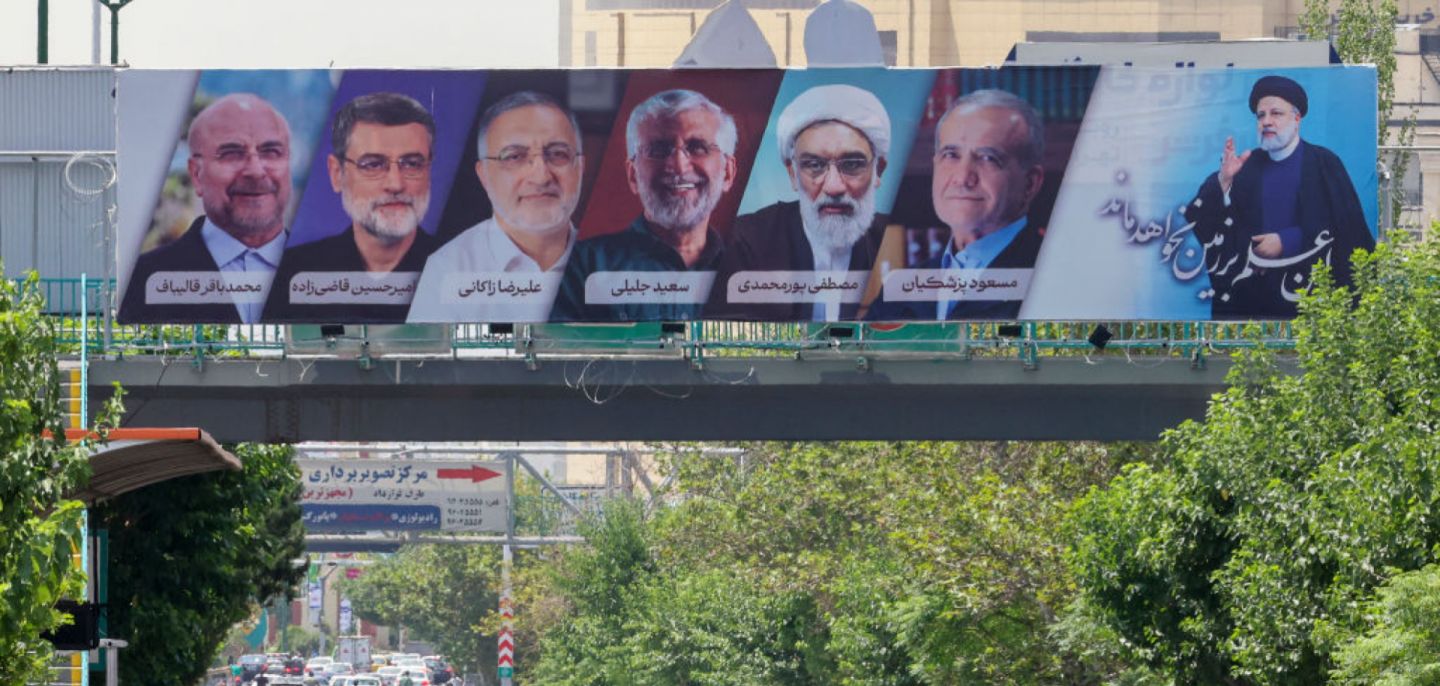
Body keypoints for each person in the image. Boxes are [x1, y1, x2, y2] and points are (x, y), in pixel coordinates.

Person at [1182, 74, 1374, 319]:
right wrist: (1224, 180)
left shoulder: (1323, 163)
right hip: (1254, 304)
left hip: (1310, 298)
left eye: (1276, 114)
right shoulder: (1246, 168)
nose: (1267, 122)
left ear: (1297, 118)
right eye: (1261, 116)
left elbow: (1349, 230)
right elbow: (1204, 222)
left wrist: (1287, 240)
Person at [550, 89, 738, 322]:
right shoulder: (579, 267)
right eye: (658, 149)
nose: (679, 166)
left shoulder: (750, 268)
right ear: (632, 175)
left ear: (728, 173)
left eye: (698, 147)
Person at [708, 83, 891, 321]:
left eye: (852, 164)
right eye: (814, 165)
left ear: (878, 170)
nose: (834, 187)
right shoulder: (744, 242)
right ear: (793, 174)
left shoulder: (891, 240)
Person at [867, 89, 1047, 321]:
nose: (962, 177)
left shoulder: (1056, 278)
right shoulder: (901, 287)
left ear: (1030, 183)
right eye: (951, 155)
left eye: (988, 158)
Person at [408, 92, 583, 322]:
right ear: (484, 176)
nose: (541, 176)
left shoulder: (610, 263)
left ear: (580, 167)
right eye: (514, 157)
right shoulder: (447, 270)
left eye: (558, 154)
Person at [264, 92, 439, 322]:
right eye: (373, 165)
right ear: (337, 174)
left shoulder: (458, 271)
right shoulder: (288, 275)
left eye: (412, 164)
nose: (395, 184)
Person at [121, 93, 293, 324]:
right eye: (232, 154)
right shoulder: (142, 280)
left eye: (271, 152)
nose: (255, 170)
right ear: (196, 174)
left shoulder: (334, 274)